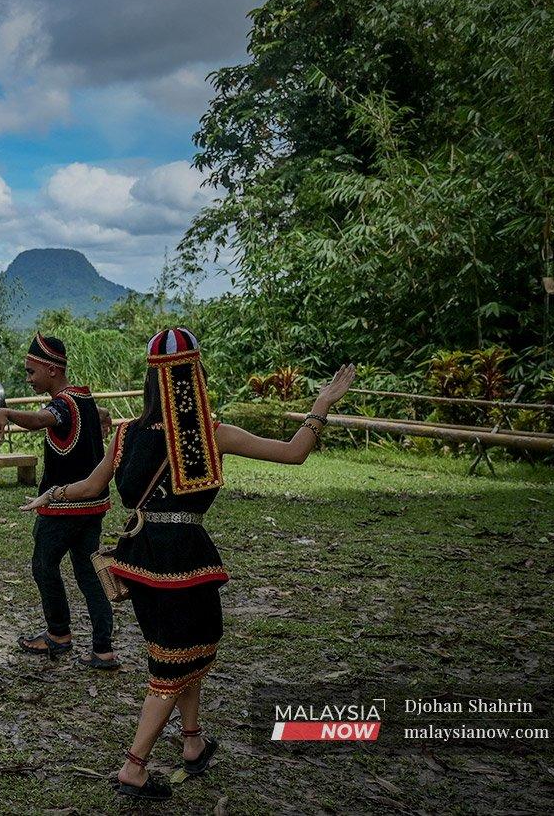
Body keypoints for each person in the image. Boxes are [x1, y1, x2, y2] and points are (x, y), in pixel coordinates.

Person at [22, 327, 355, 801]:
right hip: (184, 563)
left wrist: (52, 494)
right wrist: (321, 403)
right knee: (174, 663)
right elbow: (294, 452)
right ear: (195, 376)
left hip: (139, 562)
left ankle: (193, 742)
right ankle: (134, 768)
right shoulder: (211, 434)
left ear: (151, 380)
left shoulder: (126, 435)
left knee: (179, 654)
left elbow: (92, 486)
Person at [0, 333, 119, 669]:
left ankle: (58, 633)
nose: (28, 379)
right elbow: (90, 413)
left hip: (64, 506)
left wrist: (5, 412)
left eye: (31, 372)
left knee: (43, 565)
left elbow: (41, 420)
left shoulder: (61, 405)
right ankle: (103, 649)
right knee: (88, 573)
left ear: (51, 370)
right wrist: (102, 414)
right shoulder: (83, 399)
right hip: (93, 506)